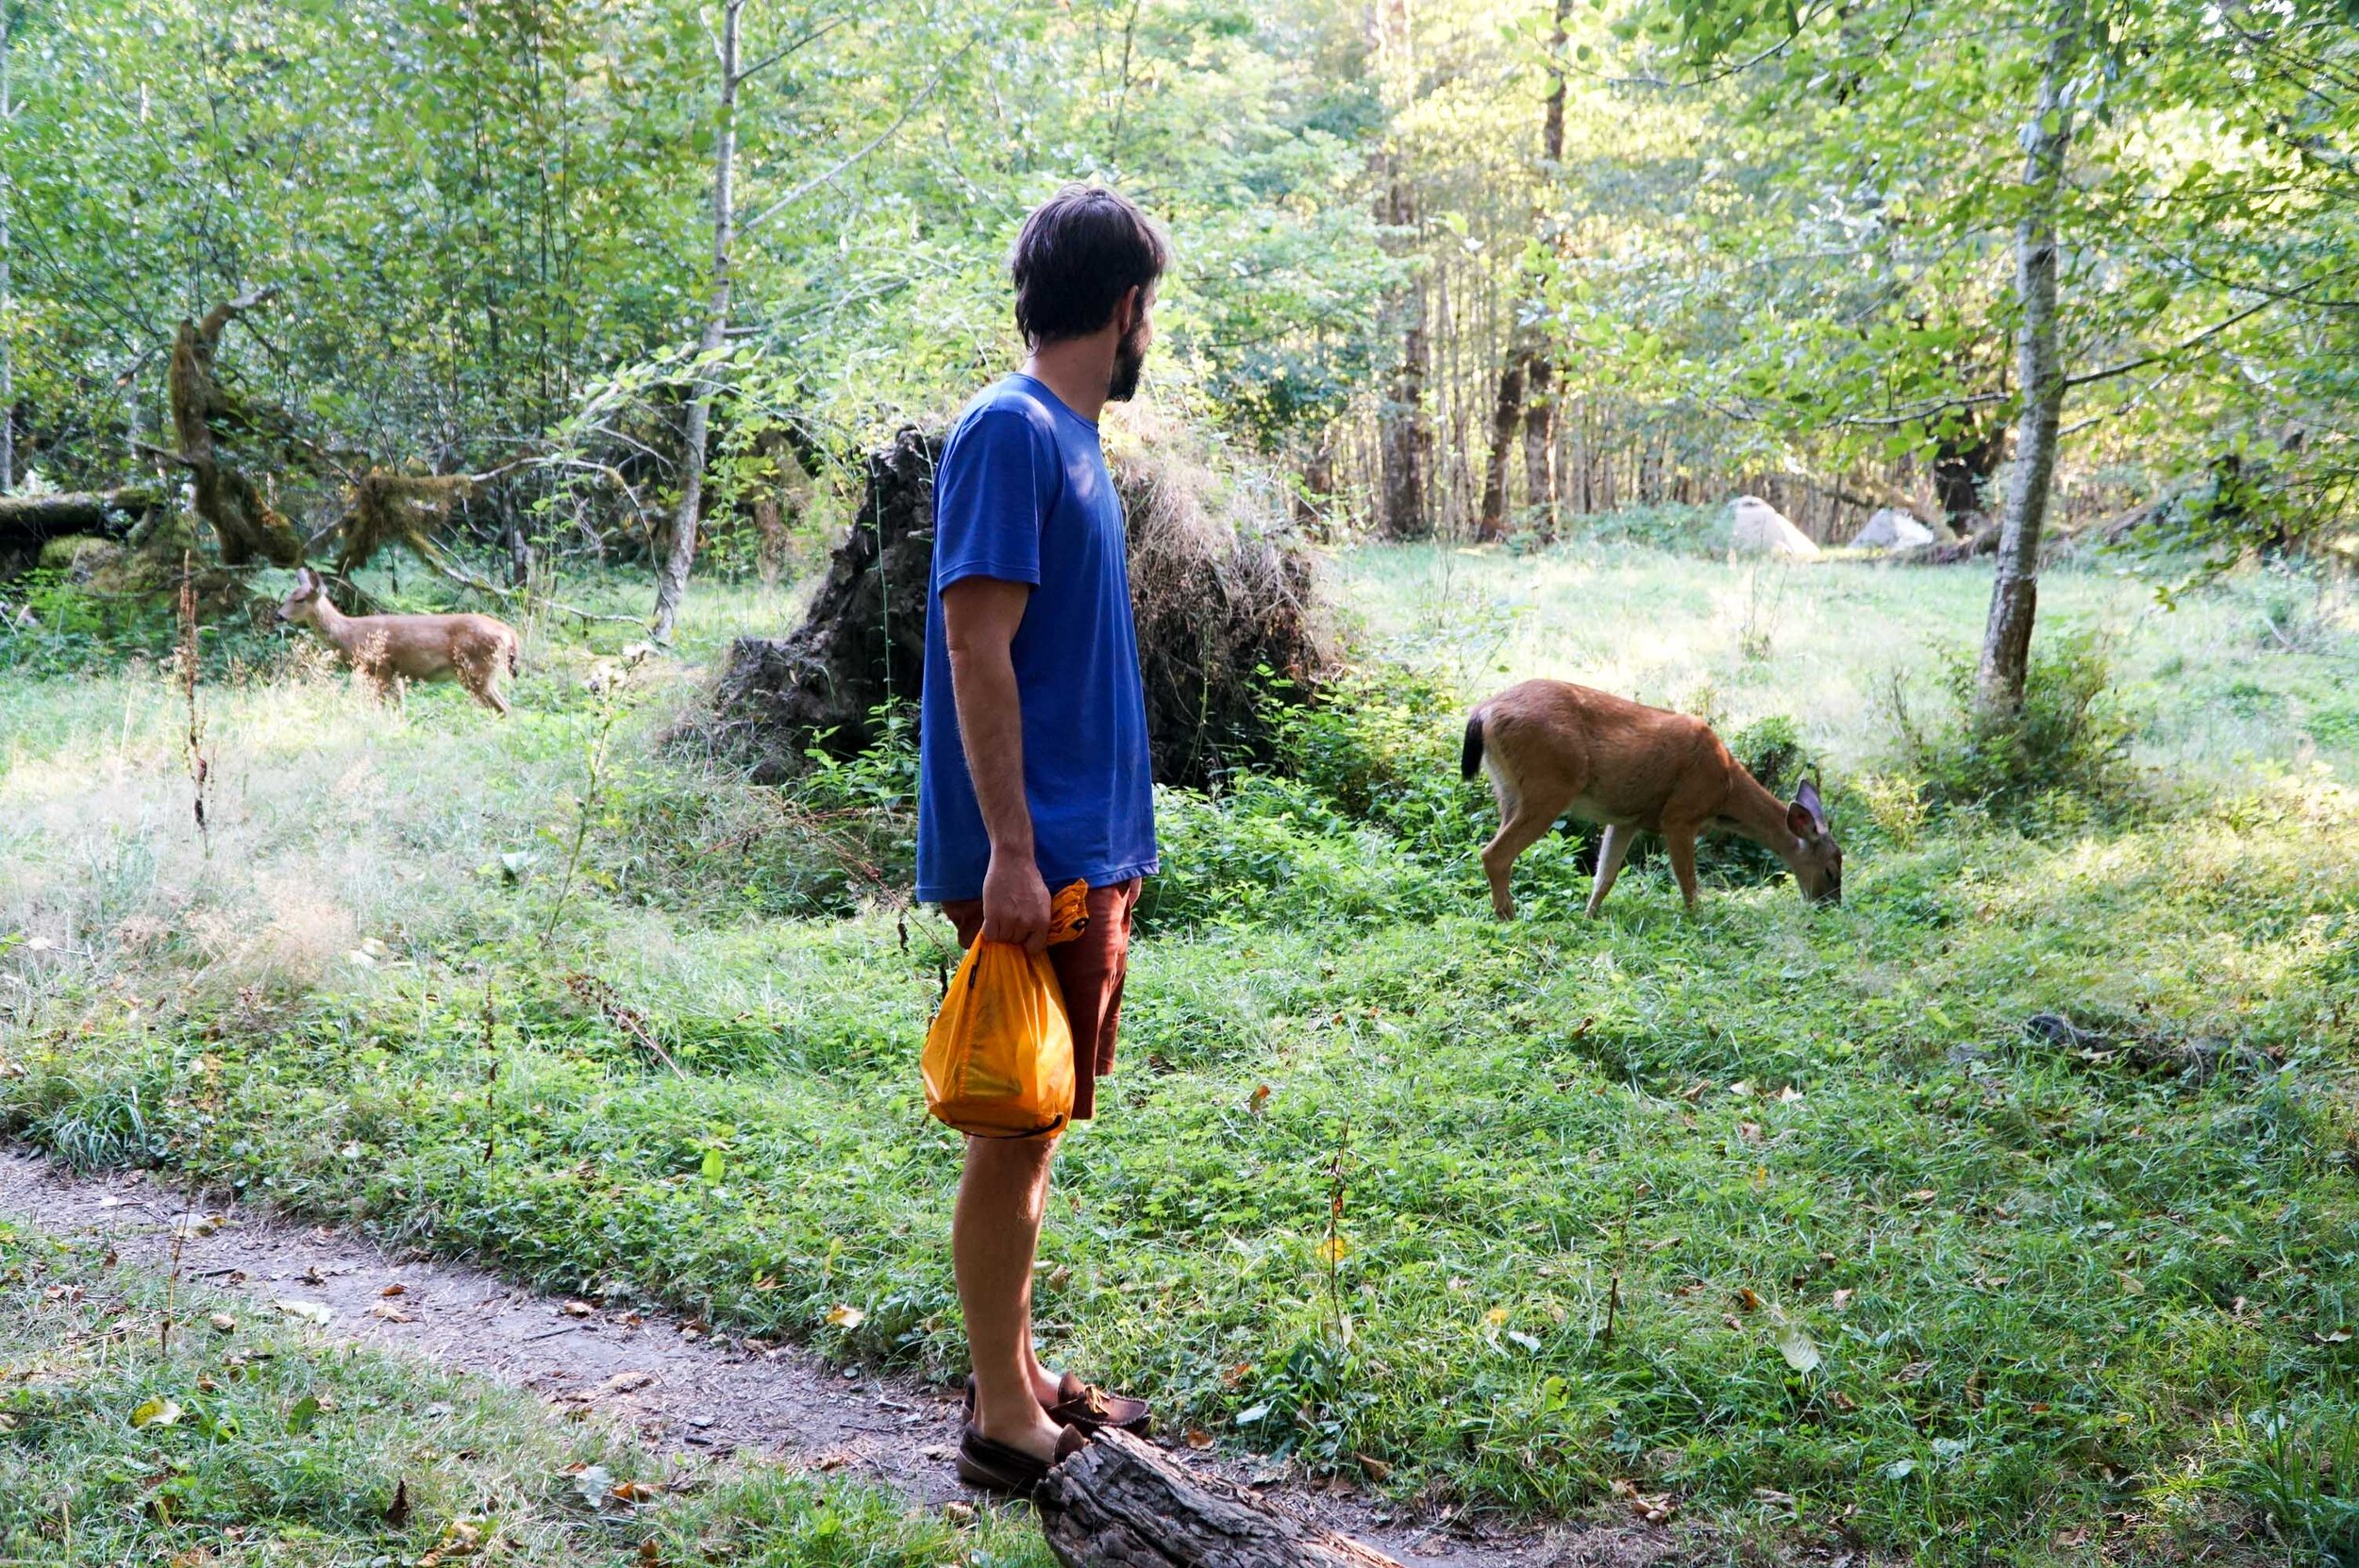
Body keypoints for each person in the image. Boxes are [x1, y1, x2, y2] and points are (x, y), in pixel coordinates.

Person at [917, 183, 1169, 1494]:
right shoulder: (1009, 434)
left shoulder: (1065, 437)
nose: (1148, 334)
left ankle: (1009, 1366)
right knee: (1012, 1125)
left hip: (1081, 848)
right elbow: (976, 645)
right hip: (1038, 853)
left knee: (1038, 1117)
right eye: (1149, 311)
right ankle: (1001, 1416)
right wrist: (1012, 851)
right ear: (1123, 306)